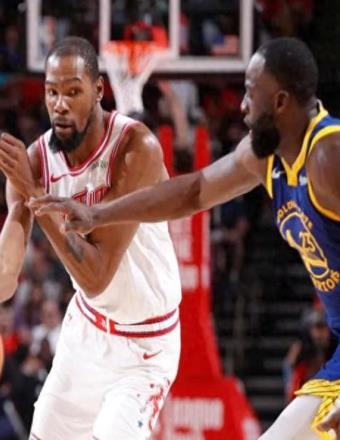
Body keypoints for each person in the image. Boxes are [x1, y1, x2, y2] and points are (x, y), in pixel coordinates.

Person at [30, 37, 340, 440]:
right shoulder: (265, 155)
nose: (242, 105)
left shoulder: (328, 158)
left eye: (251, 92)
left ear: (280, 102)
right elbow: (194, 191)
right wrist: (99, 213)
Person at [0, 36, 182, 439]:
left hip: (145, 348)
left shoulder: (136, 149)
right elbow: (7, 264)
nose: (60, 104)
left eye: (73, 92)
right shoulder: (34, 162)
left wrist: (35, 194)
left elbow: (97, 276)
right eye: (52, 92)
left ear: (98, 90)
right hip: (86, 334)